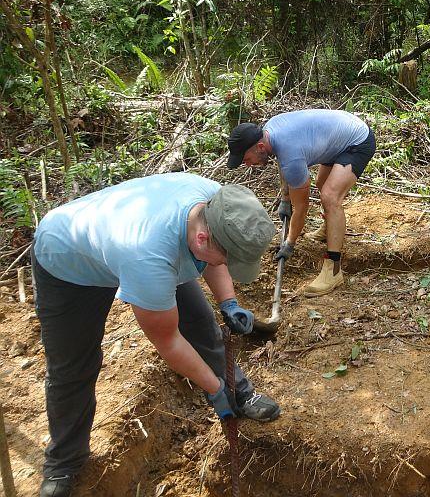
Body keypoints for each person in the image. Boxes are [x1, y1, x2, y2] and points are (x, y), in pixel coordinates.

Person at [33, 174, 281, 497]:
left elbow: (219, 257)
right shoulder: (149, 258)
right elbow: (169, 340)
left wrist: (228, 302)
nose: (230, 266)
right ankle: (64, 462)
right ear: (202, 240)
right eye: (231, 261)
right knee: (74, 368)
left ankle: (241, 394)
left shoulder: (217, 203)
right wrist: (213, 387)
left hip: (132, 244)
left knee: (203, 326)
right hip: (67, 264)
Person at [227, 109, 376, 297]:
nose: (247, 164)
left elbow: (301, 208)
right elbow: (282, 162)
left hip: (356, 141)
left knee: (330, 197)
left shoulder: (292, 158)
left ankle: (333, 269)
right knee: (323, 184)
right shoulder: (269, 131)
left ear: (260, 147)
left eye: (247, 159)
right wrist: (285, 198)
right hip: (338, 136)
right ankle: (328, 228)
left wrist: (289, 243)